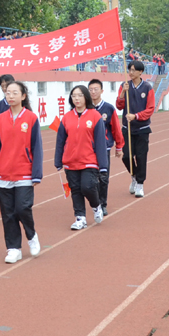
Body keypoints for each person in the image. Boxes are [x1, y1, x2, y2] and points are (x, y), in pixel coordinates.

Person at [0, 81, 42, 264]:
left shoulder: (31, 118)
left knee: (22, 208)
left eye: (14, 93)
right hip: (4, 173)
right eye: (8, 93)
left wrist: (36, 173)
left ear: (23, 96)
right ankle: (13, 248)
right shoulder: (0, 119)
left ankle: (31, 235)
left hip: (24, 172)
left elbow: (37, 147)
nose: (10, 96)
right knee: (8, 213)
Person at [55, 85, 107, 230]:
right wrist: (58, 160)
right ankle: (80, 218)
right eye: (73, 96)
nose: (76, 98)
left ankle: (96, 206)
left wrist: (103, 165)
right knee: (76, 190)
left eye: (79, 95)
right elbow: (60, 141)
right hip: (70, 161)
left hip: (89, 160)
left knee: (87, 186)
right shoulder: (66, 117)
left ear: (86, 97)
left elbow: (100, 142)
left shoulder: (95, 116)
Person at [116, 60, 155, 198]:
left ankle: (140, 184)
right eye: (129, 70)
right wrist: (122, 93)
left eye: (133, 70)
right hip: (127, 129)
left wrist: (136, 116)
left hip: (142, 129)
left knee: (141, 156)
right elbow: (119, 106)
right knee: (126, 156)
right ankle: (134, 176)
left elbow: (150, 109)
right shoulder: (124, 86)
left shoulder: (147, 88)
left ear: (140, 72)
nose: (131, 72)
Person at [88, 79, 123, 216]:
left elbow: (116, 128)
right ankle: (95, 203)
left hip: (104, 148)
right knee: (91, 178)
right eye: (90, 89)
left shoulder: (108, 108)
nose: (93, 92)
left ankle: (102, 204)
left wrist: (119, 146)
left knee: (103, 177)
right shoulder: (86, 108)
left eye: (96, 89)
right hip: (89, 149)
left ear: (102, 91)